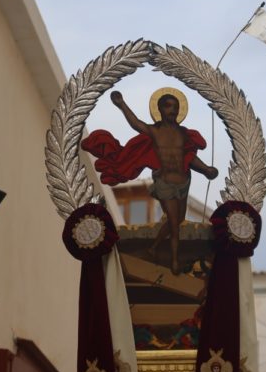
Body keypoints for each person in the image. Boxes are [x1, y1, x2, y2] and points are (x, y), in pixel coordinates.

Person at [81, 88, 218, 274]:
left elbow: (189, 157)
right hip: (165, 183)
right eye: (168, 106)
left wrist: (206, 169)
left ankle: (154, 247)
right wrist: (121, 105)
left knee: (178, 220)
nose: (172, 110)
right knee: (173, 223)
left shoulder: (185, 134)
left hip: (184, 181)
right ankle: (175, 261)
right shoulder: (155, 131)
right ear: (160, 109)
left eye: (175, 106)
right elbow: (136, 123)